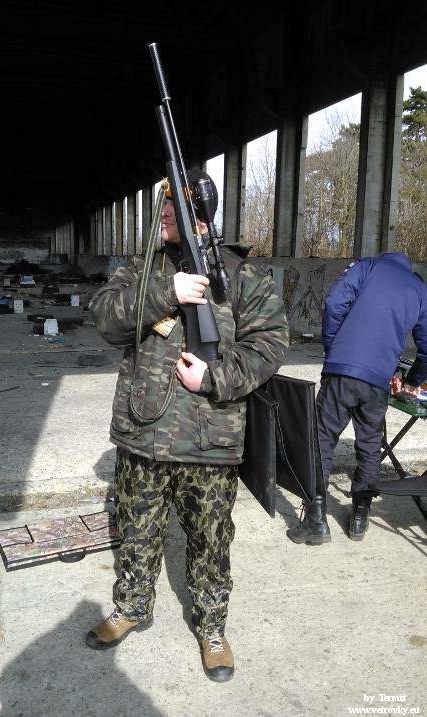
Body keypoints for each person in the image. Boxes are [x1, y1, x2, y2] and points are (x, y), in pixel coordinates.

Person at [86, 170, 289, 682]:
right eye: (162, 206)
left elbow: (270, 344)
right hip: (143, 432)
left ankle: (212, 627)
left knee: (210, 540)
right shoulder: (143, 268)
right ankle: (131, 607)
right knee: (135, 529)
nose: (163, 215)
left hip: (210, 438)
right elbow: (106, 320)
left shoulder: (241, 275)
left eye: (173, 207)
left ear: (200, 216)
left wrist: (214, 377)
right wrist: (165, 291)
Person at [288, 252, 427, 545]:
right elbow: (426, 346)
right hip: (379, 380)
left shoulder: (367, 267)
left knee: (322, 439)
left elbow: (334, 303)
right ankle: (360, 517)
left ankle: (316, 520)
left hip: (342, 371)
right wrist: (412, 381)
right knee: (370, 444)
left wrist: (333, 347)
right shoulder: (418, 288)